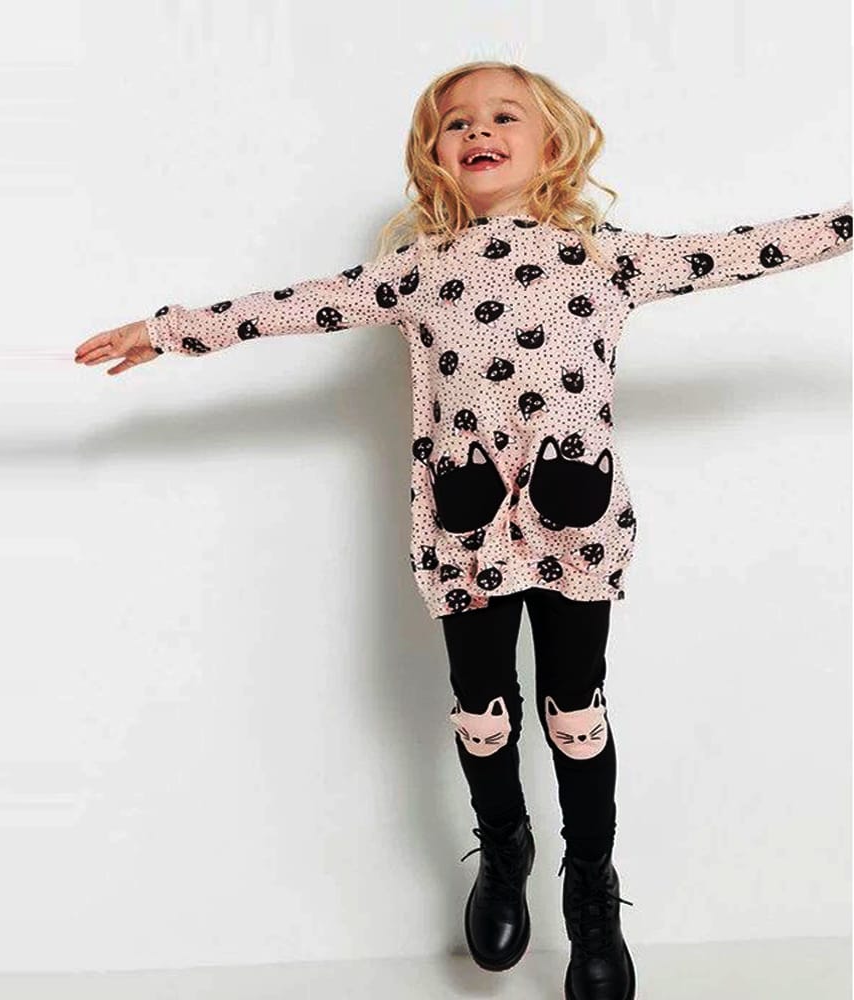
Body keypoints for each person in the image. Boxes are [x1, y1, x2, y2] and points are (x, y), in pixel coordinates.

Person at [74, 60, 851, 1000]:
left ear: (552, 142)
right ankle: (505, 846)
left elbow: (743, 249)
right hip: (466, 532)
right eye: (456, 123)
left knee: (575, 714)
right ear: (435, 154)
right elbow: (290, 305)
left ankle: (592, 893)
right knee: (482, 714)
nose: (478, 131)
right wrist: (166, 331)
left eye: (503, 116)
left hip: (574, 530)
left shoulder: (607, 258)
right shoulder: (420, 269)